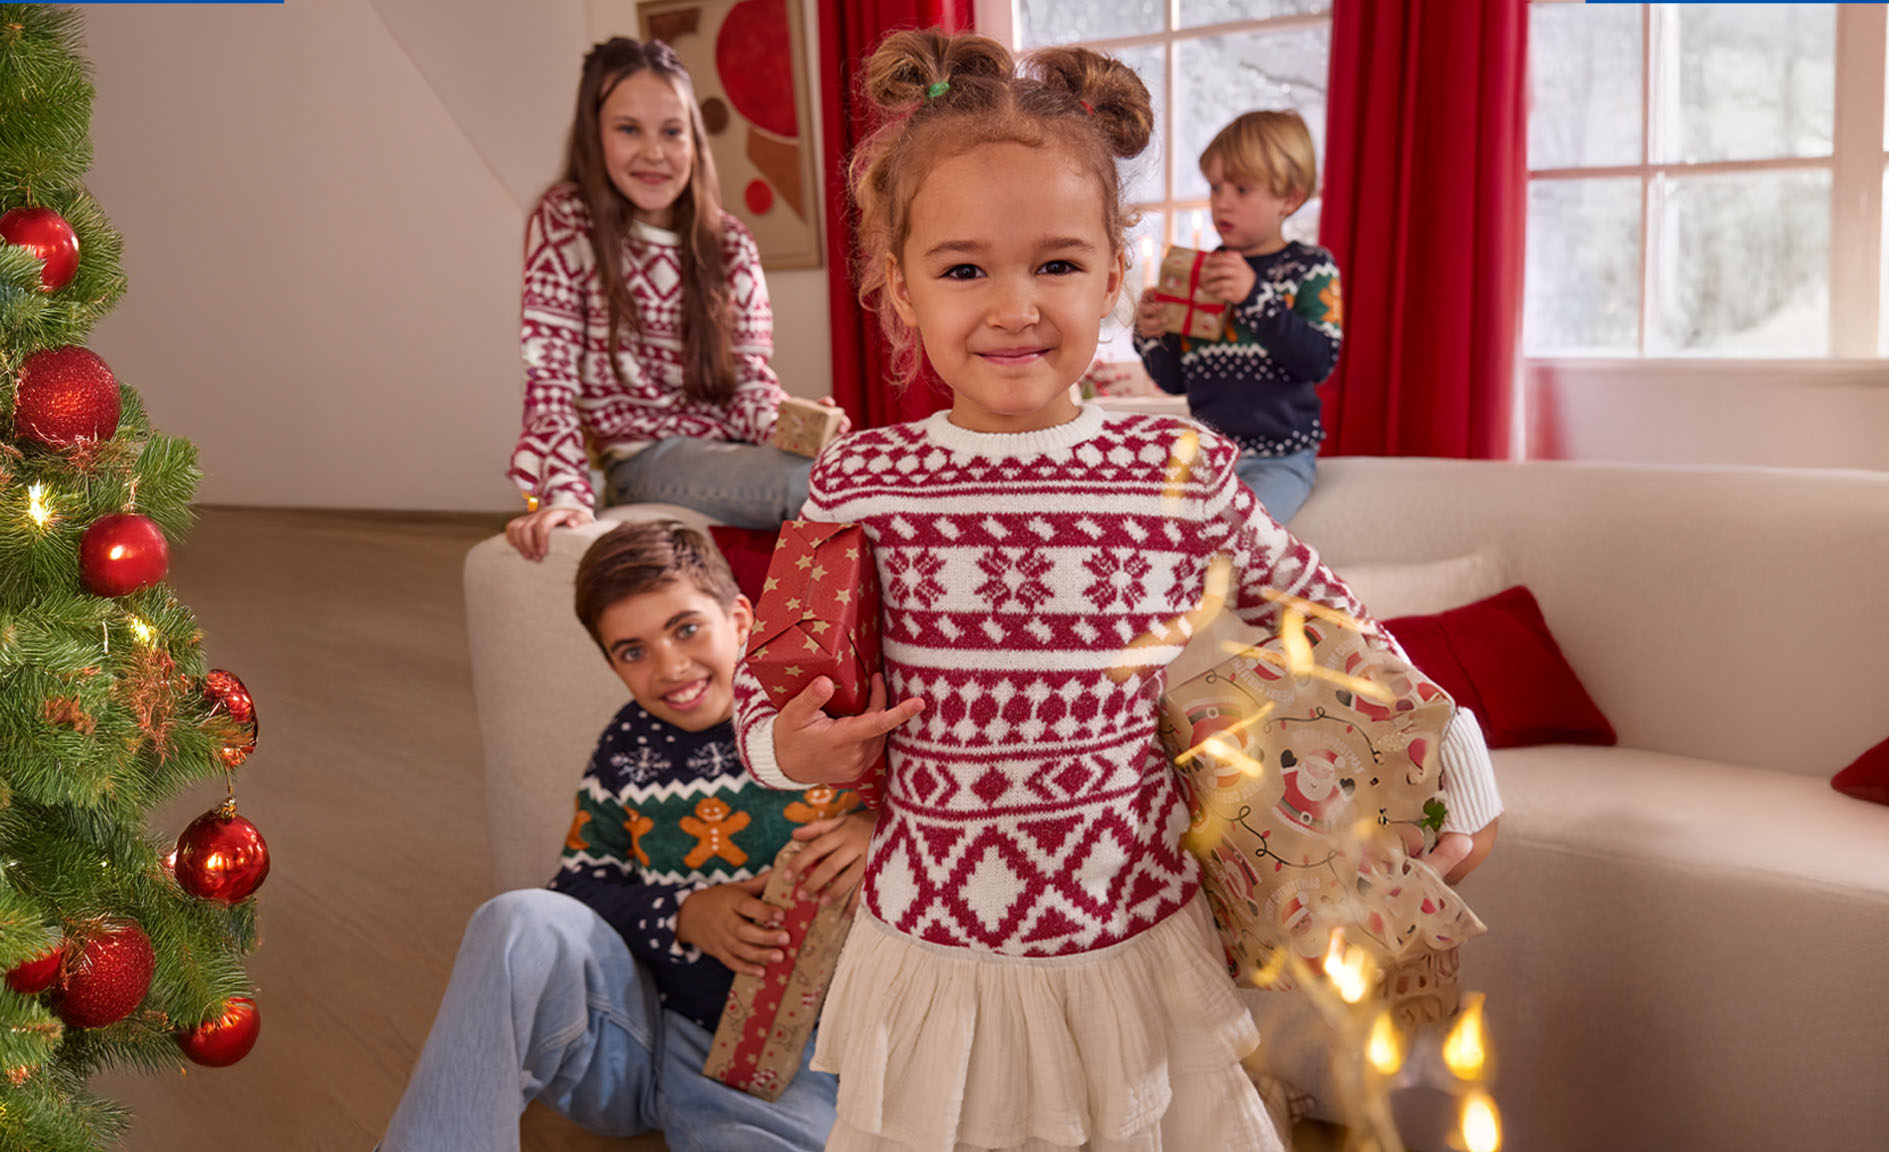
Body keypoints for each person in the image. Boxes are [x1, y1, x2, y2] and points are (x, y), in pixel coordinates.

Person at [730, 30, 1502, 1152]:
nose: (1013, 306)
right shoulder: (861, 481)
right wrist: (785, 753)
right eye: (962, 268)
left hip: (1129, 943)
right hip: (941, 956)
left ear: (1114, 276)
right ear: (895, 288)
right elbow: (775, 681)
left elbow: (1326, 613)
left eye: (1054, 264)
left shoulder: (1172, 469)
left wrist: (1459, 775)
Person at [380, 521, 872, 1151]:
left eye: (686, 629)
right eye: (633, 651)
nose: (671, 667)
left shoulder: (818, 715)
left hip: (789, 1058)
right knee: (518, 920)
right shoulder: (627, 751)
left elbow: (940, 814)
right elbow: (580, 884)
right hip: (642, 1038)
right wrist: (684, 914)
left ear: (741, 618)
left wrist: (871, 828)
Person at [505, 37, 814, 561]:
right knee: (817, 483)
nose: (654, 152)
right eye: (629, 130)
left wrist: (798, 428)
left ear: (694, 140)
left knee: (847, 463)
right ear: (593, 135)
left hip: (727, 451)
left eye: (672, 132)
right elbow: (549, 377)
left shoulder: (730, 242)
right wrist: (564, 494)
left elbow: (748, 387)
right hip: (641, 462)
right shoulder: (566, 222)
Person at [1133, 109, 1340, 523]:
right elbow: (1174, 379)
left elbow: (1318, 360)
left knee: (1241, 531)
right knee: (1152, 525)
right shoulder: (1201, 273)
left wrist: (1254, 298)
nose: (1221, 201)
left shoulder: (1309, 269)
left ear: (1290, 199)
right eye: (1215, 187)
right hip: (1207, 460)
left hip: (1280, 458)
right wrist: (1151, 335)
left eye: (1242, 189)